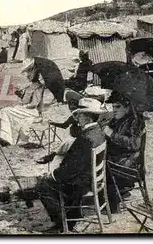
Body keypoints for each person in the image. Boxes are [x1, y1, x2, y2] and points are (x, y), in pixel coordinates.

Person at [17, 98, 107, 233]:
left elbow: (72, 169)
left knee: (43, 186)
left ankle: (63, 223)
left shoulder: (86, 138)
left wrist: (52, 175)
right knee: (49, 180)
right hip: (91, 177)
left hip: (81, 183)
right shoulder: (98, 131)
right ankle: (73, 214)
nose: (76, 118)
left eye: (79, 115)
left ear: (88, 117)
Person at [104, 91, 145, 213]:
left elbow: (134, 144)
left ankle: (113, 203)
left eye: (118, 106)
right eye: (113, 107)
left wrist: (112, 134)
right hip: (120, 158)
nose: (114, 110)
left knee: (102, 165)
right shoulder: (117, 119)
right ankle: (112, 194)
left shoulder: (135, 121)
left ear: (127, 108)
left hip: (130, 164)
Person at [0, 59, 45, 146]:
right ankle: (5, 137)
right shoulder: (30, 86)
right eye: (27, 73)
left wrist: (22, 107)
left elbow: (34, 104)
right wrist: (20, 95)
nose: (27, 76)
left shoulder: (39, 87)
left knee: (5, 111)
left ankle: (6, 137)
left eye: (29, 73)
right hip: (26, 110)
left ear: (35, 74)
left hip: (32, 112)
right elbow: (25, 101)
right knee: (5, 111)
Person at [37, 90, 84, 167]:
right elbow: (64, 125)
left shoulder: (81, 116)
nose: (71, 109)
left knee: (67, 144)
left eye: (73, 107)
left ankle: (52, 155)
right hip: (73, 138)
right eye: (70, 107)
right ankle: (53, 155)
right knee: (66, 143)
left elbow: (65, 125)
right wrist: (52, 123)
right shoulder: (72, 117)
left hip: (77, 140)